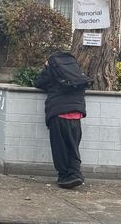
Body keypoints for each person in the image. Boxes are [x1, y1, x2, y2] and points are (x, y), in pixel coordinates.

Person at [35, 51, 92, 188]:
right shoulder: (76, 73)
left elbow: (38, 83)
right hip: (76, 115)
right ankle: (75, 174)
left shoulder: (52, 72)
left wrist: (46, 68)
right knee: (73, 147)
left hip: (58, 114)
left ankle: (64, 176)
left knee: (59, 148)